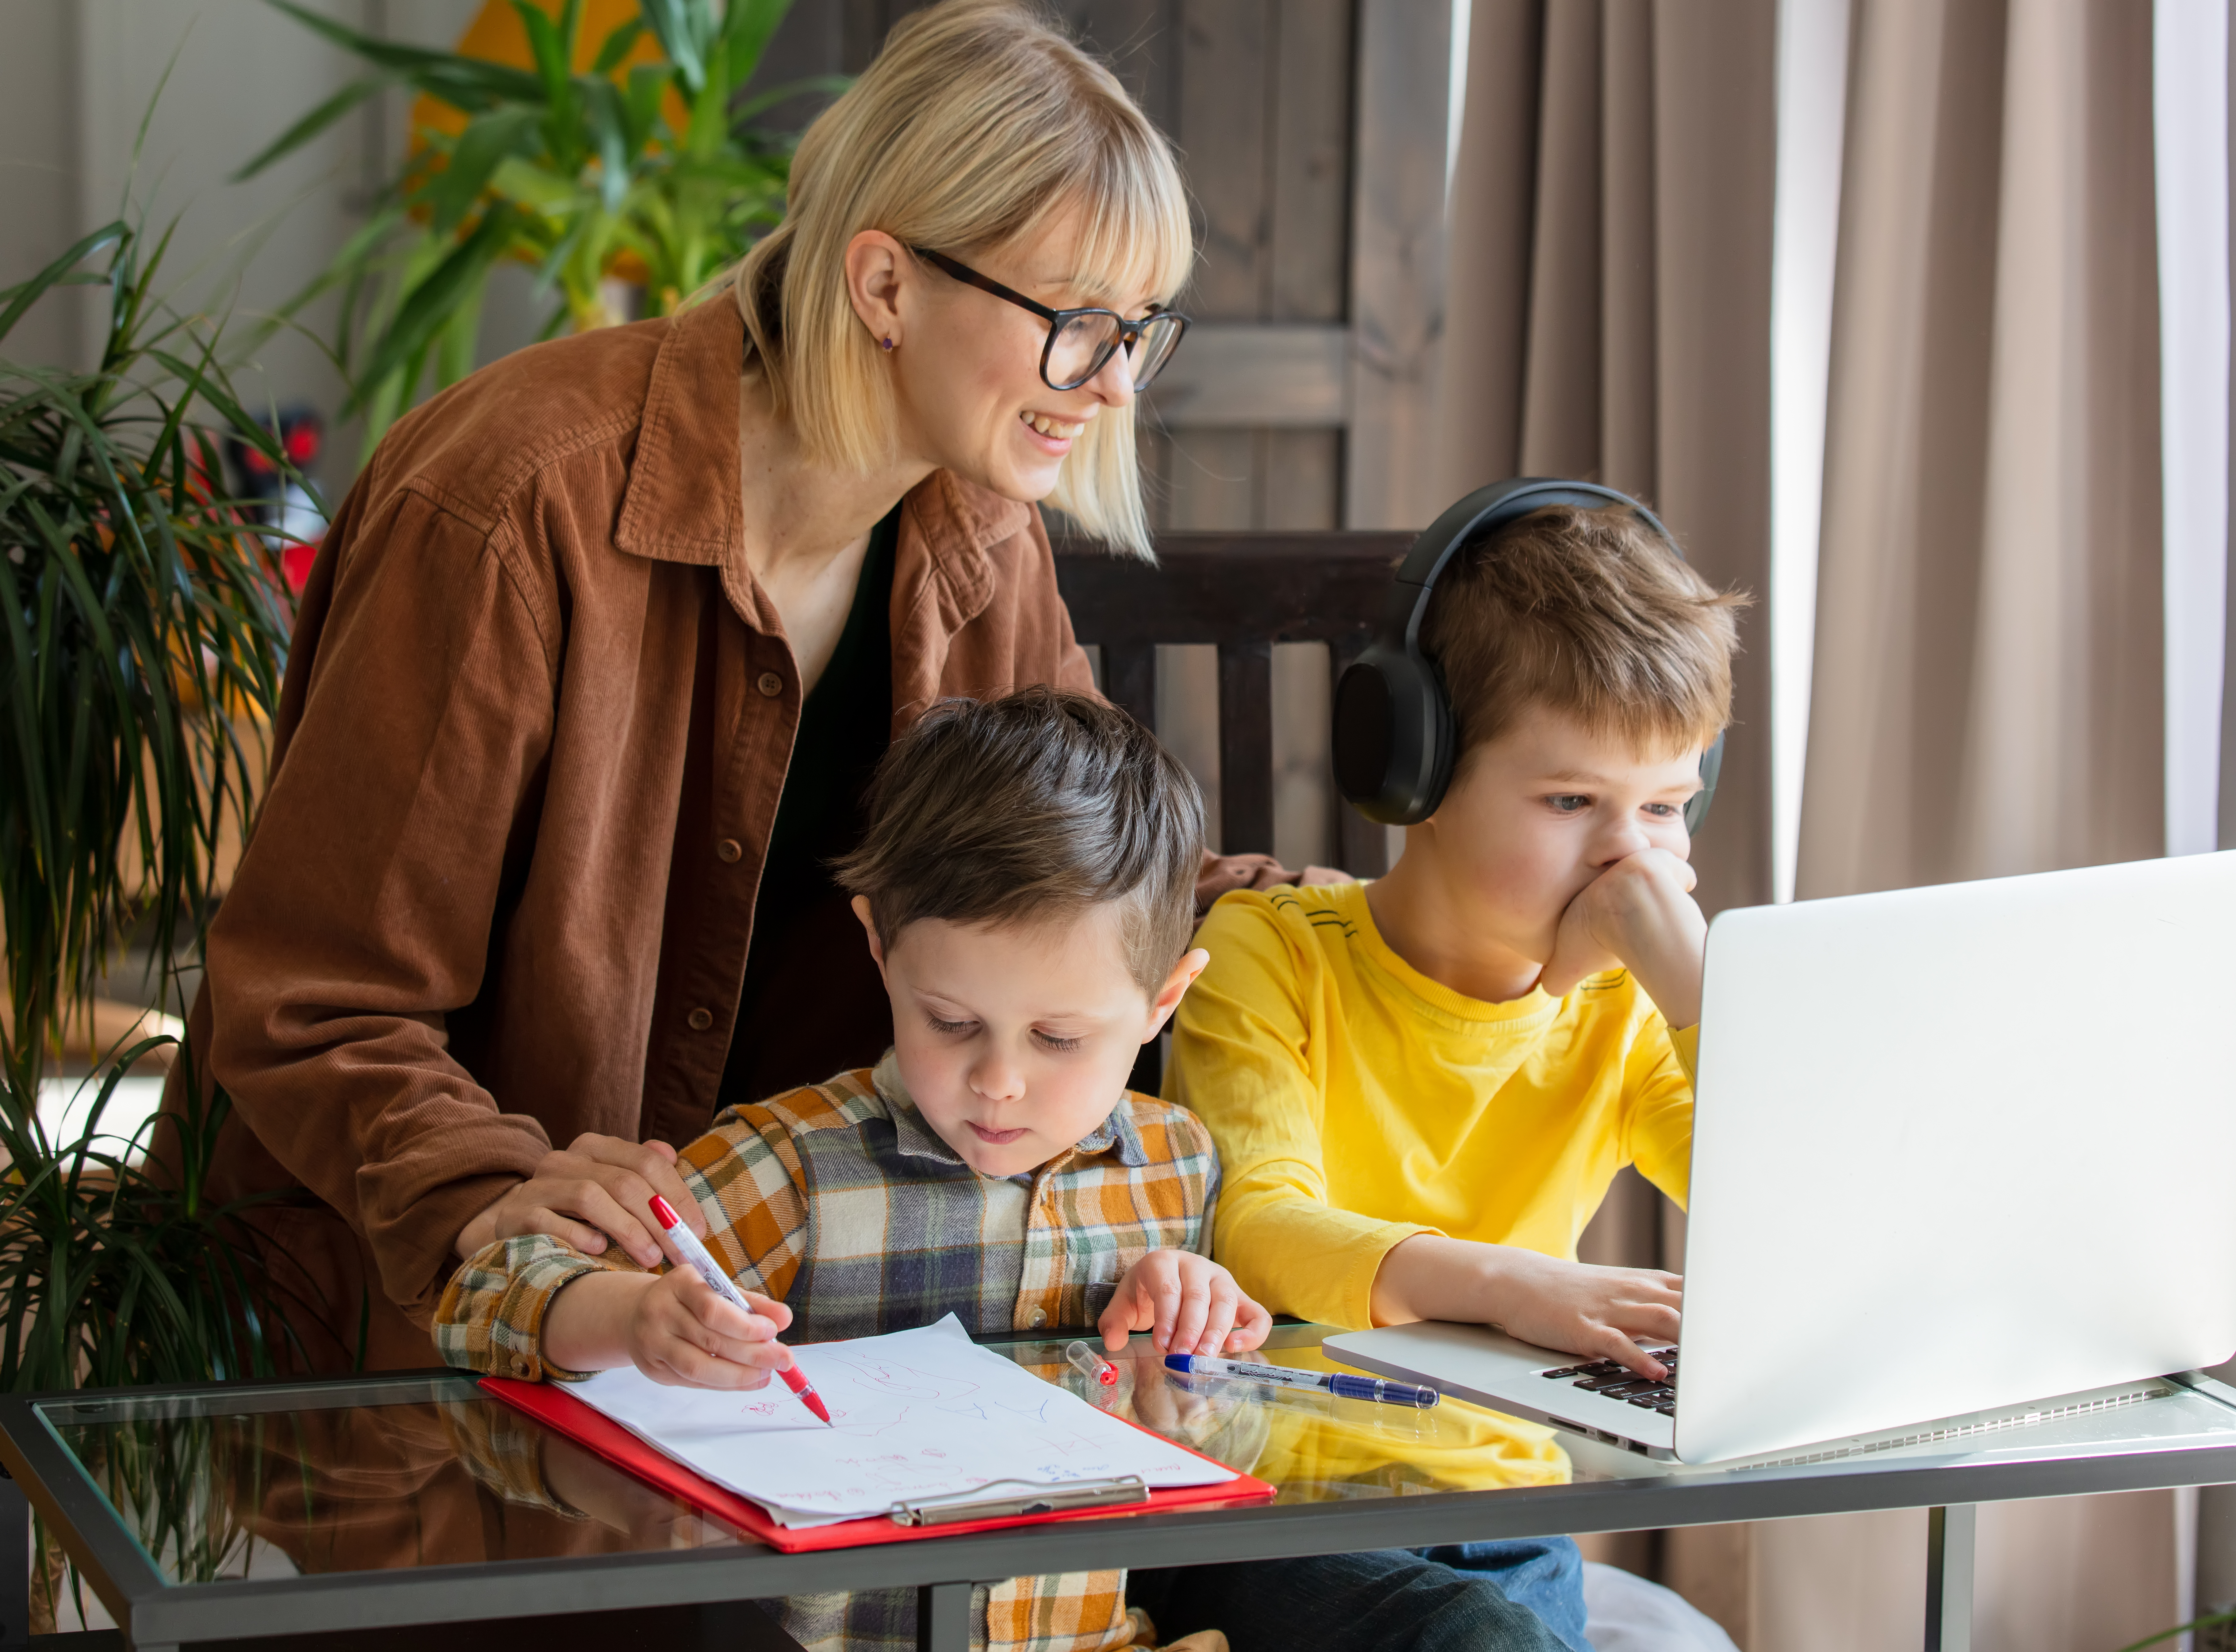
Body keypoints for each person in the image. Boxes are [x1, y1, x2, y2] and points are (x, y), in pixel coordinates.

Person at [184, 0, 1318, 1376]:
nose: (1115, 387)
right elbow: (311, 1001)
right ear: (886, 286)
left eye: (1139, 331)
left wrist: (1358, 920)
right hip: (465, 1356)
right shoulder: (509, 505)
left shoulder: (979, 531)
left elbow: (1084, 888)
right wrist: (486, 1188)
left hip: (809, 1345)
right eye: (1078, 325)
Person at [434, 690, 1566, 1652]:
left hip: (1113, 1628)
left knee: (1471, 1631)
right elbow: (481, 1297)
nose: (998, 1084)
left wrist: (1207, 1311)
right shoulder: (793, 1167)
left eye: (1060, 1040)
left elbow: (1231, 1420)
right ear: (878, 948)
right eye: (951, 1021)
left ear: (1164, 1000)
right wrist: (628, 1314)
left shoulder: (1178, 1164)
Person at [1161, 500, 1744, 1651]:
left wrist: (1689, 983)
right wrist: (1519, 1287)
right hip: (1281, 1504)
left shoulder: (1627, 1009)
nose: (1628, 856)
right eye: (1572, 801)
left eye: (1666, 809)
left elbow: (1793, 1206)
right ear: (1411, 769)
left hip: (1509, 1510)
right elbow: (1261, 1227)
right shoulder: (1269, 956)